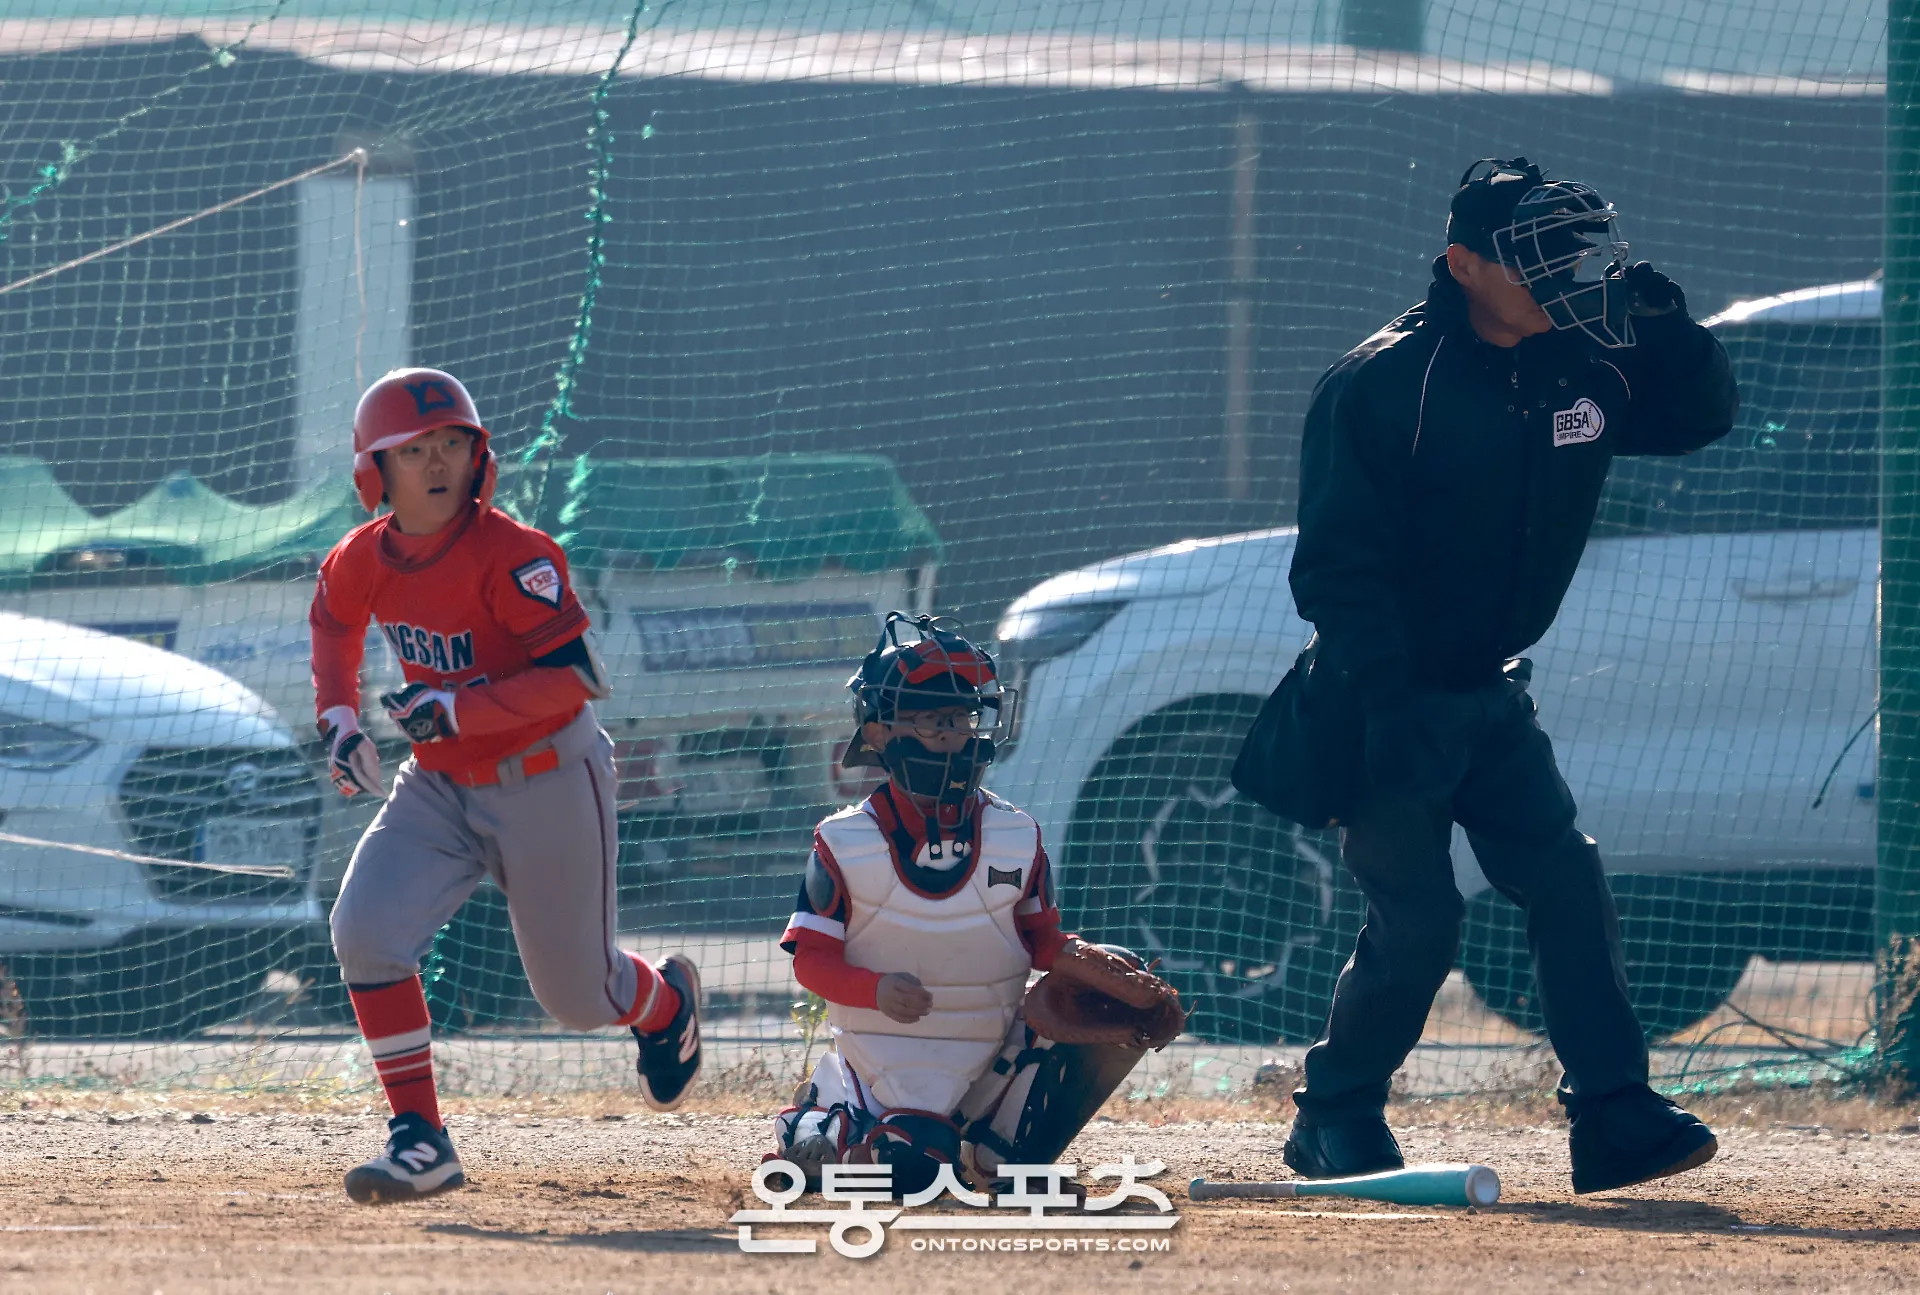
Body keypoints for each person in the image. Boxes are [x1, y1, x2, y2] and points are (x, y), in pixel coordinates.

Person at [1282, 158, 1739, 1194]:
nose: (1565, 277)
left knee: (1566, 878)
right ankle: (1333, 1113)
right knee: (1421, 921)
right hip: (1379, 691)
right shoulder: (1383, 382)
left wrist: (1672, 333)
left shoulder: (1580, 360)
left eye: (1574, 254)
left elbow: (1699, 417)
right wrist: (1387, 706)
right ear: (1462, 265)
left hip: (1490, 692)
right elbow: (1333, 570)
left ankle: (1615, 1116)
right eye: (1536, 259)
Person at [312, 367, 704, 1203]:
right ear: (375, 469)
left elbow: (578, 678)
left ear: (478, 456)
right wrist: (339, 720)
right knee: (364, 932)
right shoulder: (362, 556)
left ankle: (666, 1005)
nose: (437, 463)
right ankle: (421, 1138)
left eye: (452, 443)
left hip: (548, 775)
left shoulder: (514, 554)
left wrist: (457, 708)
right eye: (414, 449)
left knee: (581, 998)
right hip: (439, 784)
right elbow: (333, 621)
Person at [771, 613, 1183, 1194]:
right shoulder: (844, 841)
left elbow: (1042, 944)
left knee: (1109, 977)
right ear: (881, 733)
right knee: (914, 1171)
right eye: (934, 720)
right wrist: (874, 989)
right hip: (886, 1063)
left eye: (963, 718)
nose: (955, 734)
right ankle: (826, 1125)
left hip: (989, 1055)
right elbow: (811, 961)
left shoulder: (1016, 834)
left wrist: (1113, 977)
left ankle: (1006, 1160)